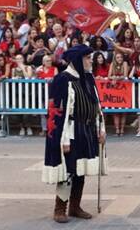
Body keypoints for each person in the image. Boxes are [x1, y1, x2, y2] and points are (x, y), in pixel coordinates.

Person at [43, 44, 107, 223]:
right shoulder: (62, 80)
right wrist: (62, 140)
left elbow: (97, 105)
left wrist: (100, 129)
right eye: (87, 58)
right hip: (70, 132)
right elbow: (56, 113)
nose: (91, 61)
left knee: (81, 170)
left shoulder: (88, 78)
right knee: (69, 171)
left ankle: (75, 206)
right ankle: (60, 208)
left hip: (87, 131)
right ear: (79, 60)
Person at [108, 52, 129, 136]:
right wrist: (113, 77)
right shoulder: (112, 64)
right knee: (115, 111)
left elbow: (125, 75)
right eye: (117, 57)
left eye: (121, 57)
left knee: (123, 111)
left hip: (124, 90)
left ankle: (122, 129)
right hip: (115, 90)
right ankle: (117, 130)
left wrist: (117, 78)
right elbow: (109, 75)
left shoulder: (125, 63)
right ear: (115, 58)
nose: (119, 59)